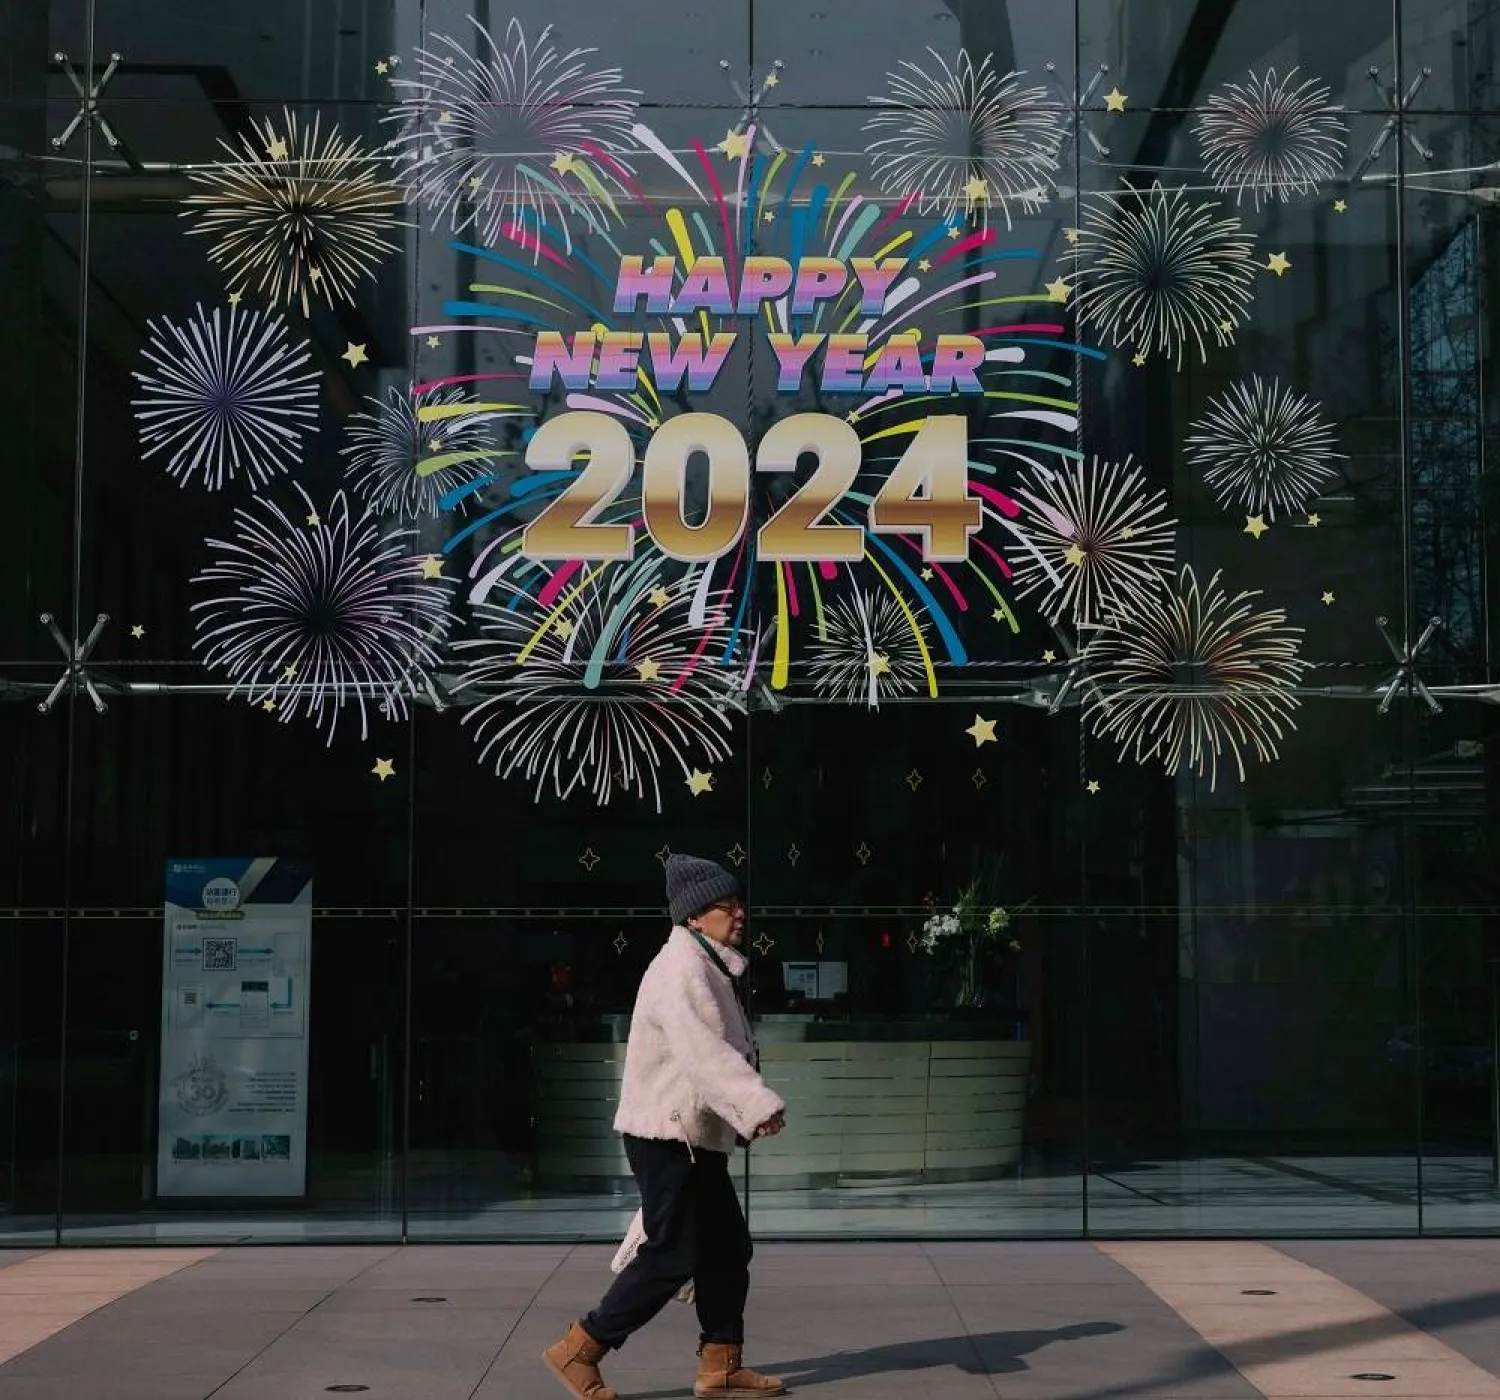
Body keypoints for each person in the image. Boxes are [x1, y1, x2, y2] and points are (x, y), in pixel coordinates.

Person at [544, 853, 789, 1400]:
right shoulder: (681, 969)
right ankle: (580, 1348)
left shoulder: (707, 964)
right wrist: (756, 1102)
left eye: (740, 903)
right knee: (670, 1253)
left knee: (727, 1247)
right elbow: (703, 1053)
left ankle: (721, 1364)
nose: (741, 914)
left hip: (689, 1136)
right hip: (666, 1136)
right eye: (728, 906)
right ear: (695, 916)